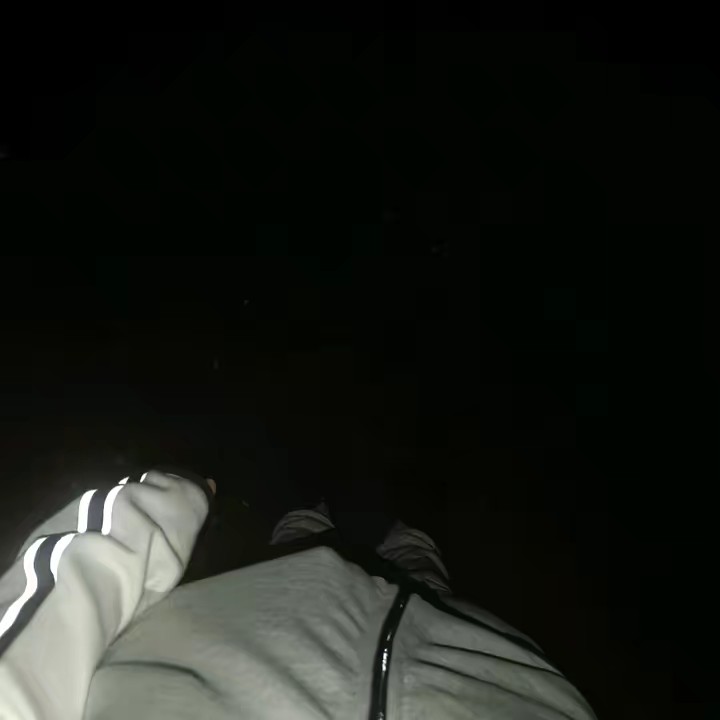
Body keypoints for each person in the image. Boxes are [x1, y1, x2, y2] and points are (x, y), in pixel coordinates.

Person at [0, 469, 596, 719]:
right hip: (473, 650)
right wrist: (167, 497)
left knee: (295, 542)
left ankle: (313, 508)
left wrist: (171, 495)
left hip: (259, 604)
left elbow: (43, 626)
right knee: (420, 563)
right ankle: (389, 520)